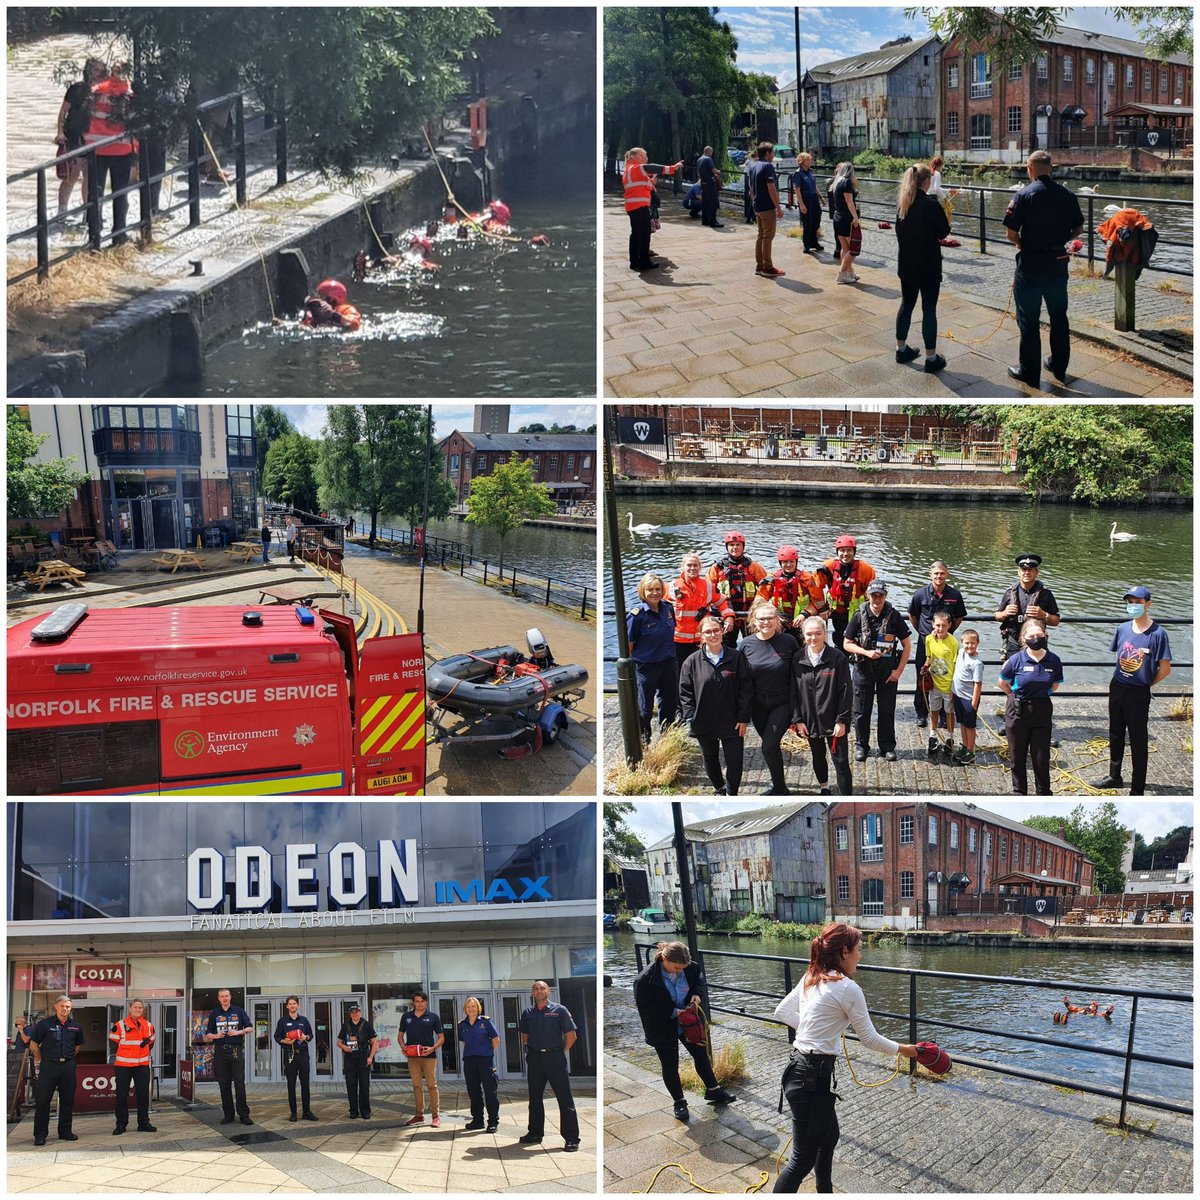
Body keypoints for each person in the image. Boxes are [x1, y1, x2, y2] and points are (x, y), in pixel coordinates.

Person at [772, 924, 920, 1192]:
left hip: (801, 1070)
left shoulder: (812, 976)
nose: (861, 956)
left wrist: (813, 1033)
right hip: (810, 1078)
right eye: (859, 950)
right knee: (801, 1159)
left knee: (829, 1138)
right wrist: (904, 1050)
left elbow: (782, 1011)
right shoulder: (847, 988)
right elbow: (870, 1040)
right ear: (844, 951)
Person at [1002, 150, 1085, 385]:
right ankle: (1059, 366)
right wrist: (1060, 240)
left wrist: (1022, 243)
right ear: (1051, 168)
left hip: (1030, 264)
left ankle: (1029, 370)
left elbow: (1010, 233)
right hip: (1058, 262)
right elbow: (1078, 229)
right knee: (1059, 315)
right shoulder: (1067, 195)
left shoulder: (1023, 195)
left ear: (1029, 168)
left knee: (1029, 318)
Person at [633, 941, 736, 1123]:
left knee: (701, 1055)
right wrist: (673, 1012)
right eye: (677, 967)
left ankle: (714, 1091)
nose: (680, 970)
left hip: (689, 1021)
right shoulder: (645, 979)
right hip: (662, 1026)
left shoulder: (690, 968)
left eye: (683, 967)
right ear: (664, 959)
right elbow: (646, 1009)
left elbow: (698, 982)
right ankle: (679, 1102)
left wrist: (696, 995)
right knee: (670, 1064)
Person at [1092, 587, 1172, 795]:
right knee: (1115, 733)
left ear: (1148, 604)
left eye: (1138, 601)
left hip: (1138, 691)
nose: (1133, 605)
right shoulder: (1123, 629)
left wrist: (1146, 683)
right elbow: (1118, 656)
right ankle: (1114, 776)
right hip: (1118, 686)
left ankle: (1137, 789)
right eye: (1130, 601)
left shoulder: (1158, 634)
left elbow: (1165, 669)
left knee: (1138, 739)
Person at [678, 613, 753, 796]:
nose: (713, 635)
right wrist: (690, 716)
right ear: (702, 635)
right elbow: (685, 691)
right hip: (704, 719)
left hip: (732, 719)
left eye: (716, 630)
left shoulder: (736, 658)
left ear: (722, 631)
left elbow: (746, 689)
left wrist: (743, 717)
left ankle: (731, 793)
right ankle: (719, 788)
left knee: (735, 760)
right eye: (708, 632)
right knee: (710, 757)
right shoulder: (692, 662)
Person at [842, 579, 911, 762]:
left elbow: (907, 644)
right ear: (868, 596)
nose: (877, 599)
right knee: (861, 710)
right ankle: (861, 746)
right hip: (863, 669)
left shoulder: (894, 616)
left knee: (887, 710)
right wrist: (865, 651)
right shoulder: (858, 615)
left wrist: (899, 671)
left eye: (880, 595)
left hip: (887, 672)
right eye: (874, 595)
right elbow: (846, 644)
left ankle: (887, 747)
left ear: (885, 596)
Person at [894, 164, 951, 373]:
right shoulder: (931, 204)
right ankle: (931, 358)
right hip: (928, 264)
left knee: (906, 305)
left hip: (907, 263)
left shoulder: (903, 204)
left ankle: (901, 350)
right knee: (929, 309)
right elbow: (944, 231)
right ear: (926, 182)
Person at [741, 599, 801, 796]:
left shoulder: (788, 642)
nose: (766, 622)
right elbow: (740, 678)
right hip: (758, 705)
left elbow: (801, 670)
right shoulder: (745, 645)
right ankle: (781, 786)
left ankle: (778, 787)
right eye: (761, 619)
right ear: (754, 621)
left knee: (767, 746)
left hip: (782, 702)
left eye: (770, 618)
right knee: (772, 747)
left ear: (778, 621)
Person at [998, 619, 1063, 795]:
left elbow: (1055, 686)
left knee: (1041, 758)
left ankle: (1043, 793)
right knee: (1017, 757)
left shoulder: (1054, 660)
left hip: (1041, 710)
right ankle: (1019, 792)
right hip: (1018, 710)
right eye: (1031, 636)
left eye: (1039, 635)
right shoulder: (1016, 660)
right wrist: (1014, 696)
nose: (1035, 638)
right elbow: (1002, 683)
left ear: (1045, 636)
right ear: (1023, 638)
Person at [791, 616, 854, 796]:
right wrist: (798, 720)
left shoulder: (837, 658)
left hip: (833, 719)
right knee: (817, 756)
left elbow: (845, 691)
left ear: (825, 634)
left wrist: (842, 720)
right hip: (809, 719)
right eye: (809, 634)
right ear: (803, 635)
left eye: (818, 633)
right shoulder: (797, 659)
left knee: (841, 762)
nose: (813, 638)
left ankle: (846, 796)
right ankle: (824, 788)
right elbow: (793, 692)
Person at [518, 981, 580, 1151]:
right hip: (536, 1058)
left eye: (542, 988)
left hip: (555, 1057)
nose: (539, 991)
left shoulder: (560, 1010)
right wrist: (529, 1050)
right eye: (536, 989)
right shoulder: (527, 1013)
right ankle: (535, 1133)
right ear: (532, 993)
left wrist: (560, 1052)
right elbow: (525, 1034)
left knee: (564, 1098)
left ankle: (572, 1138)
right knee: (535, 1098)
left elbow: (571, 1035)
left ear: (549, 991)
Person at [908, 561, 966, 729]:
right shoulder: (920, 594)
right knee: (923, 676)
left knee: (946, 676)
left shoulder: (955, 595)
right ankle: (921, 713)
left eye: (942, 573)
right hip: (926, 642)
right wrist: (922, 632)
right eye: (936, 574)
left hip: (946, 644)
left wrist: (948, 632)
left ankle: (943, 714)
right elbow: (913, 615)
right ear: (930, 575)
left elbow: (960, 616)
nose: (939, 576)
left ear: (946, 574)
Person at [84, 61, 137, 246]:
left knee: (95, 194)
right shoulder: (128, 93)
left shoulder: (96, 90)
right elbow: (132, 122)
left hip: (96, 148)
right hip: (121, 148)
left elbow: (86, 115)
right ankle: (119, 234)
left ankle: (94, 237)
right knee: (120, 193)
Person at [627, 573, 679, 744]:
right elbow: (629, 644)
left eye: (658, 589)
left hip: (668, 661)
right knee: (645, 707)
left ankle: (667, 737)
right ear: (643, 591)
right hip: (646, 666)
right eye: (650, 590)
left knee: (669, 700)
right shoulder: (637, 616)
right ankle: (644, 739)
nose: (655, 593)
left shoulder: (668, 608)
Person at [27, 995, 85, 1146]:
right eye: (62, 1006)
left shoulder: (76, 1025)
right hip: (49, 1066)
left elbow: (78, 1046)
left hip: (68, 1067)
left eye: (68, 1006)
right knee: (43, 1101)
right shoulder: (44, 1025)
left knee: (67, 1101)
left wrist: (67, 1058)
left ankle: (65, 1132)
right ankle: (40, 1134)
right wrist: (41, 1059)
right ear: (56, 1007)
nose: (65, 1009)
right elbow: (33, 1044)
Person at [55, 58, 105, 223]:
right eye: (99, 70)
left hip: (93, 137)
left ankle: (87, 211)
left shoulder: (102, 92)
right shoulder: (77, 89)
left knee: (89, 175)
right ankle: (62, 210)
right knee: (72, 173)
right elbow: (63, 112)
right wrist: (60, 132)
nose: (101, 73)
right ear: (90, 71)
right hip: (74, 135)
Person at [668, 553, 735, 669]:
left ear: (700, 567)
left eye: (695, 565)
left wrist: (729, 617)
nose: (692, 568)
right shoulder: (672, 586)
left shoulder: (708, 586)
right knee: (679, 671)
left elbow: (722, 602)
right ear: (682, 567)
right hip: (678, 640)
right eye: (689, 565)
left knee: (701, 670)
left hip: (702, 639)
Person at [623, 147, 682, 272]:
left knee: (635, 234)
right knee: (644, 235)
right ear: (632, 157)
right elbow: (652, 167)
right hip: (640, 207)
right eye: (642, 155)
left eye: (645, 156)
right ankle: (644, 261)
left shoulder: (629, 170)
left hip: (632, 206)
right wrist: (672, 168)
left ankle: (634, 261)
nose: (645, 158)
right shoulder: (636, 168)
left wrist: (650, 182)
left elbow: (641, 186)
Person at [708, 531, 768, 649]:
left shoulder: (753, 566)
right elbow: (709, 590)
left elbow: (765, 588)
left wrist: (756, 606)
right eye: (731, 545)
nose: (734, 547)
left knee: (753, 645)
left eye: (738, 544)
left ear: (743, 546)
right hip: (725, 613)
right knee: (725, 646)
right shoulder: (717, 568)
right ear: (727, 547)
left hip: (748, 613)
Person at [996, 554, 1061, 661]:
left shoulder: (1046, 594)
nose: (1026, 572)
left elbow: (1056, 621)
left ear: (1036, 572)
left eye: (1030, 570)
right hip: (1013, 644)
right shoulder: (1009, 593)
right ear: (1019, 572)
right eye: (1023, 569)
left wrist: (1044, 615)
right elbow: (997, 616)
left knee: (1038, 676)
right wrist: (1005, 613)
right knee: (1012, 675)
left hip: (1037, 643)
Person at [203, 988, 254, 1126]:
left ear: (230, 997)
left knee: (239, 1083)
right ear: (218, 998)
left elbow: (250, 1028)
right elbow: (207, 1034)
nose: (225, 998)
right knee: (224, 1084)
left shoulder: (239, 1010)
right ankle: (228, 1115)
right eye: (222, 996)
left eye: (226, 996)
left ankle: (244, 1115)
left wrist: (238, 1032)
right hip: (220, 1051)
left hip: (235, 1050)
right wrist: (216, 1036)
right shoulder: (214, 1013)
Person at [110, 998, 156, 1136]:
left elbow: (151, 1044)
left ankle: (143, 1123)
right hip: (123, 1066)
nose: (138, 1010)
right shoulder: (119, 1025)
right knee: (121, 1096)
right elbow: (113, 1044)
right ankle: (121, 1124)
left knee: (143, 1095)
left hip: (142, 1065)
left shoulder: (148, 1025)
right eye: (135, 1007)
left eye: (140, 1008)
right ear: (129, 1009)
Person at [757, 546, 830, 632]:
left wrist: (805, 614)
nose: (788, 565)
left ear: (796, 562)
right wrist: (773, 615)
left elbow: (818, 603)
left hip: (802, 620)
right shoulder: (771, 579)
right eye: (785, 562)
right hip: (780, 621)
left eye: (791, 561)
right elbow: (760, 600)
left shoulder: (807, 579)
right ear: (780, 563)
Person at [823, 535, 876, 654]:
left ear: (854, 552)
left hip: (858, 614)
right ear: (837, 552)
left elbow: (873, 591)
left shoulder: (865, 569)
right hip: (837, 613)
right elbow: (815, 587)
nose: (845, 554)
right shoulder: (828, 567)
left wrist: (872, 610)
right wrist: (823, 608)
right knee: (839, 640)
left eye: (849, 550)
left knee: (857, 641)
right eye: (842, 550)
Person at [399, 991, 443, 1127]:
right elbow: (400, 1036)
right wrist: (403, 1047)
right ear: (413, 1003)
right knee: (417, 1086)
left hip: (429, 1057)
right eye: (417, 1001)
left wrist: (432, 1048)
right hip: (413, 1058)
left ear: (426, 1002)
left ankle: (436, 1116)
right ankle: (419, 1115)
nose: (419, 1004)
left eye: (422, 1001)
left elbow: (441, 1038)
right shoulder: (406, 1017)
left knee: (431, 1085)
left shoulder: (433, 1017)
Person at [458, 997, 500, 1133]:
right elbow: (464, 1042)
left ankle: (493, 1121)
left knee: (490, 1091)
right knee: (473, 1092)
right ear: (465, 1009)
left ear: (478, 1008)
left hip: (485, 1060)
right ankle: (478, 1120)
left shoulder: (486, 1022)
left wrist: (487, 1052)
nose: (471, 1009)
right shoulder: (462, 1024)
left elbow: (496, 1039)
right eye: (468, 1007)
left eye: (473, 1006)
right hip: (470, 1060)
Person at [273, 995, 317, 1122]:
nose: (292, 1006)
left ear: (298, 1005)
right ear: (287, 1006)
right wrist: (285, 1041)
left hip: (303, 1054)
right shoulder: (282, 1021)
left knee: (305, 1084)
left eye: (294, 1003)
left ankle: (307, 1112)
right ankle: (293, 1113)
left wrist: (305, 1038)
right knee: (291, 1085)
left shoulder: (304, 1020)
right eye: (290, 1004)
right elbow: (276, 1037)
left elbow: (311, 1035)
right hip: (289, 1055)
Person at [747, 141, 786, 278]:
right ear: (768, 153)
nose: (773, 155)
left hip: (757, 205)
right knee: (768, 237)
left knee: (761, 236)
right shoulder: (768, 166)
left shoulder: (752, 165)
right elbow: (771, 188)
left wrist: (754, 201)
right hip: (767, 206)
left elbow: (751, 187)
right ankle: (768, 267)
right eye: (773, 153)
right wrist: (778, 207)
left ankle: (759, 265)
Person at [923, 611, 959, 758]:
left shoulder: (953, 642)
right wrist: (925, 666)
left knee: (950, 712)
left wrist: (954, 687)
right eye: (937, 625)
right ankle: (933, 735)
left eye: (944, 625)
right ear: (933, 624)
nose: (940, 628)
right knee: (934, 709)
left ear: (949, 626)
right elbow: (929, 657)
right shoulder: (929, 639)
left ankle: (950, 737)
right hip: (934, 683)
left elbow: (957, 665)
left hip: (948, 683)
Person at [338, 1001, 378, 1120]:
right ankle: (353, 1110)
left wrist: (370, 1057)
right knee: (351, 1085)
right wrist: (344, 1047)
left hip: (363, 1056)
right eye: (352, 1012)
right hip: (350, 1057)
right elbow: (339, 1042)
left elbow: (375, 1042)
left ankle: (365, 1111)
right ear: (350, 1014)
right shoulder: (345, 1025)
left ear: (360, 1012)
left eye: (357, 1012)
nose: (355, 1014)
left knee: (364, 1085)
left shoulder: (366, 1024)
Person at [951, 628, 984, 766]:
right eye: (967, 643)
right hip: (958, 695)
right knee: (962, 723)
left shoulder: (977, 663)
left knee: (970, 725)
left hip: (969, 698)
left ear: (977, 644)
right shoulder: (960, 653)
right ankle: (964, 746)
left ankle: (971, 750)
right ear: (962, 643)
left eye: (973, 643)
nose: (969, 646)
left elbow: (978, 684)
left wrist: (974, 704)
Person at [828, 162, 861, 285]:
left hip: (838, 216)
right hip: (846, 217)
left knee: (845, 247)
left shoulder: (837, 181)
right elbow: (849, 201)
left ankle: (849, 271)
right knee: (853, 249)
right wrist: (855, 217)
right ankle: (842, 273)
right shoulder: (846, 182)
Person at [788, 153, 824, 253]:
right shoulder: (798, 173)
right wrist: (801, 204)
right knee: (807, 223)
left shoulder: (811, 171)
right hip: (805, 200)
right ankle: (806, 244)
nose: (810, 161)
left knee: (817, 220)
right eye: (808, 160)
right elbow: (797, 190)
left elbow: (814, 185)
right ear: (802, 161)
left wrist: (821, 197)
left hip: (814, 199)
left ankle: (814, 241)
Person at [696, 145, 723, 228]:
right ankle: (713, 221)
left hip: (703, 183)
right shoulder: (708, 159)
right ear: (709, 152)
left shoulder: (699, 159)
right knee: (713, 202)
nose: (712, 154)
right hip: (710, 183)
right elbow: (714, 170)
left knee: (706, 202)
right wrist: (719, 171)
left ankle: (705, 220)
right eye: (712, 152)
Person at [928, 155, 960, 226]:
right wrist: (944, 199)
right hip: (933, 198)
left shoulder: (929, 172)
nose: (942, 168)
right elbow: (936, 189)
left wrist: (949, 191)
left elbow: (934, 188)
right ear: (940, 165)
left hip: (926, 196)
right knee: (937, 218)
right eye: (942, 166)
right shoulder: (937, 174)